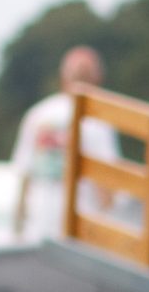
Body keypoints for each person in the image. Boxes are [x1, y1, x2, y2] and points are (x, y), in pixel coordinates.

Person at [10, 46, 118, 242]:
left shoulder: (38, 114)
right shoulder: (99, 120)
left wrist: (17, 228)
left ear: (64, 78)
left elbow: (24, 174)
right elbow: (105, 184)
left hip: (39, 224)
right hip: (82, 226)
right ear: (97, 79)